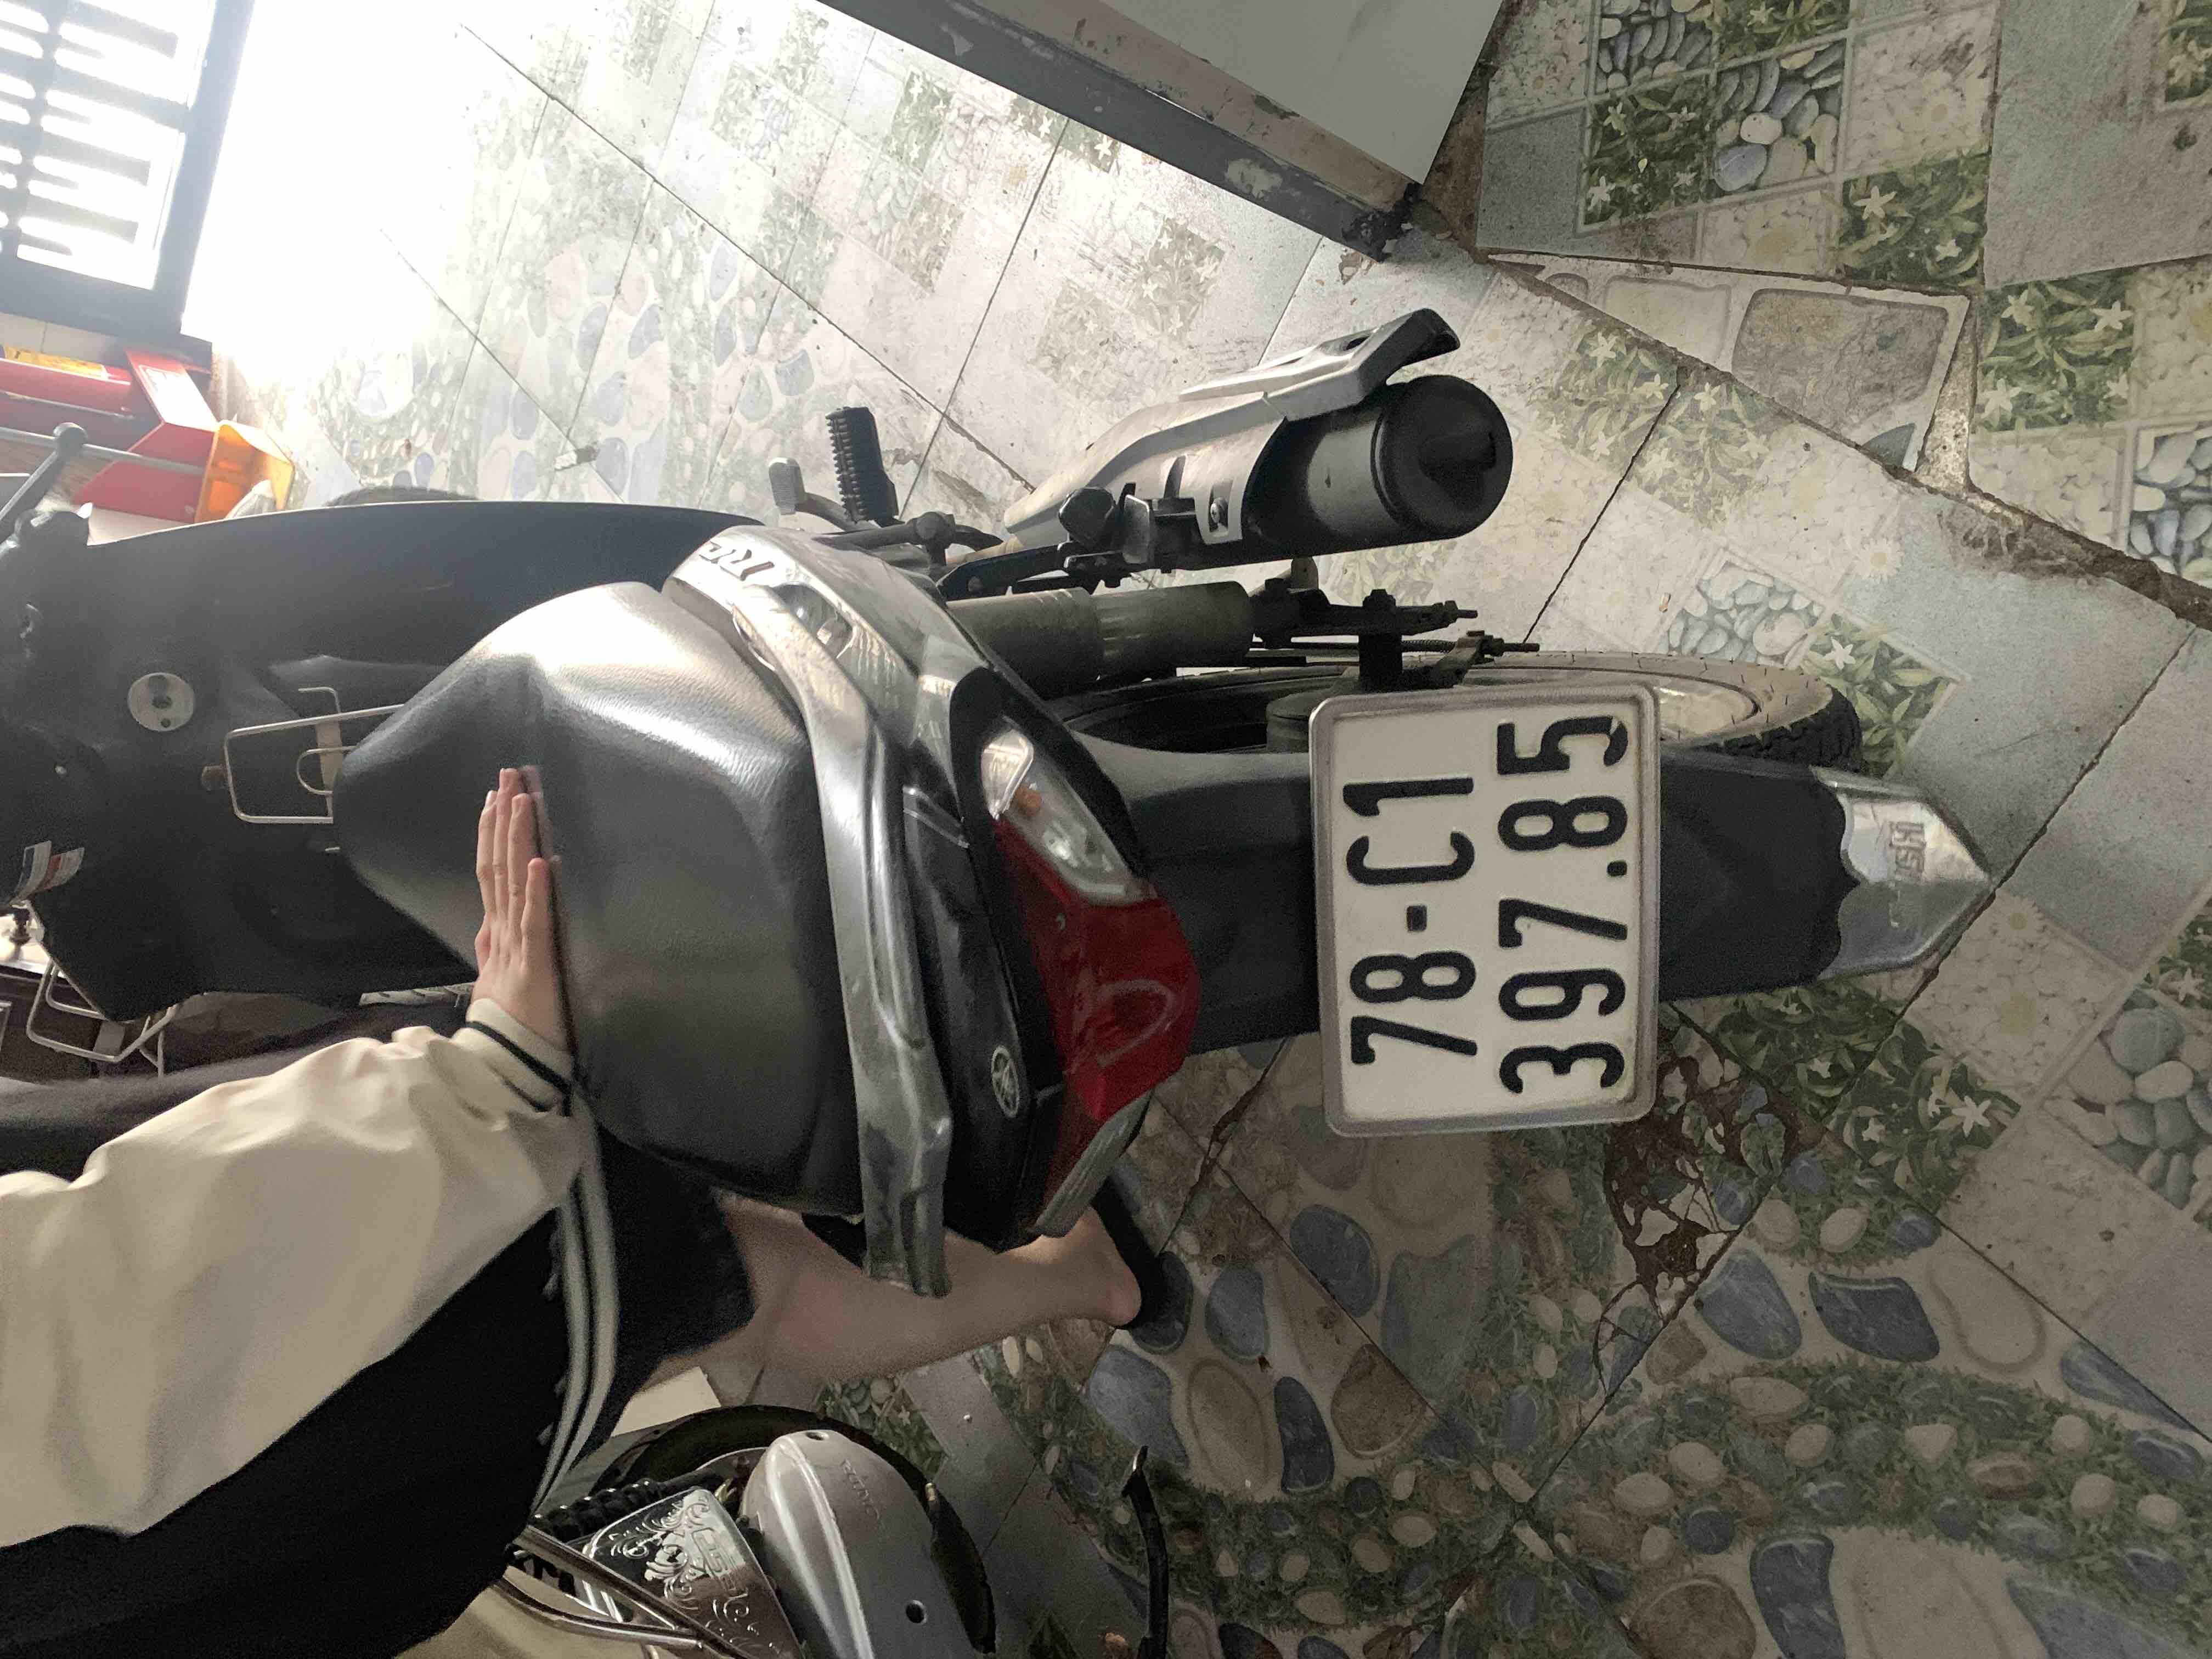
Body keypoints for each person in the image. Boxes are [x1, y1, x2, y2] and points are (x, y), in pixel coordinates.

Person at [0, 770, 1141, 1656]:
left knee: (710, 1291)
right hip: (292, 1350)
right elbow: (88, 1338)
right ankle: (1071, 1255)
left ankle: (1069, 1270)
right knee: (726, 1275)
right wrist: (481, 1090)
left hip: (217, 1543)